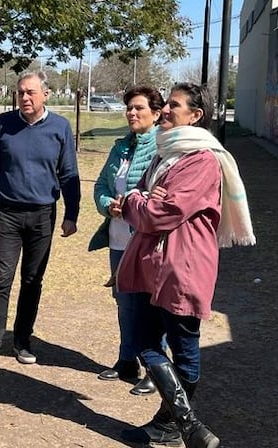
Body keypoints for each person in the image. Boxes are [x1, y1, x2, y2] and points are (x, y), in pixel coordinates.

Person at [117, 83, 255, 448]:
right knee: (142, 340)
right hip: (153, 263)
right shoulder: (166, 154)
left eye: (174, 105)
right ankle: (182, 425)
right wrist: (141, 199)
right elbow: (141, 195)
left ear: (196, 115)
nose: (165, 110)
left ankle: (176, 425)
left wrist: (138, 202)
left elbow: (160, 212)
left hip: (183, 267)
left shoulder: (202, 160)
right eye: (166, 104)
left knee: (183, 348)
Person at [0, 71, 80, 372]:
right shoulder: (3, 123)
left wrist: (72, 214)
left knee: (32, 281)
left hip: (43, 215)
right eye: (20, 92)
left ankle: (22, 340)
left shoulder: (60, 127)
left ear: (46, 94)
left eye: (31, 92)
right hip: (7, 213)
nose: (25, 97)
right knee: (0, 280)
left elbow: (69, 173)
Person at [88, 85, 163, 396]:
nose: (132, 113)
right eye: (129, 108)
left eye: (139, 108)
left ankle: (156, 369)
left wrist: (133, 205)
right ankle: (127, 360)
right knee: (124, 302)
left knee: (149, 304)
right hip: (118, 238)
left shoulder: (162, 147)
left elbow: (161, 194)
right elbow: (101, 186)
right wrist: (109, 205)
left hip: (144, 240)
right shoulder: (120, 147)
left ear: (156, 114)